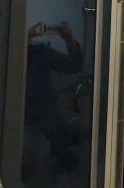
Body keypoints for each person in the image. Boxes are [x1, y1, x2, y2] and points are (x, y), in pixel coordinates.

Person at [23, 21, 83, 178]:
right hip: (20, 122)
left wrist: (68, 38)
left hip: (46, 117)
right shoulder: (4, 54)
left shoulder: (40, 52)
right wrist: (26, 37)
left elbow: (74, 66)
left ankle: (64, 157)